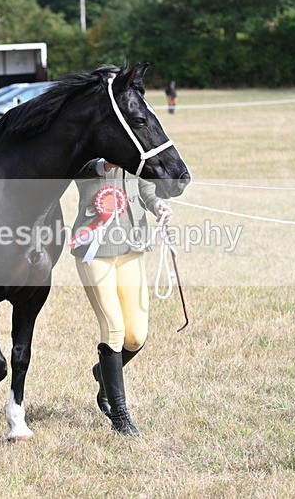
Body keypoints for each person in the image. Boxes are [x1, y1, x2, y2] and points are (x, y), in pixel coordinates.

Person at [71, 158, 173, 436]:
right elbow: (73, 167)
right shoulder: (89, 141)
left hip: (132, 243)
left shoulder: (133, 145)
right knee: (113, 329)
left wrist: (157, 205)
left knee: (136, 337)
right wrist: (104, 166)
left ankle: (103, 372)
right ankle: (119, 414)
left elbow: (144, 186)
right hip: (94, 246)